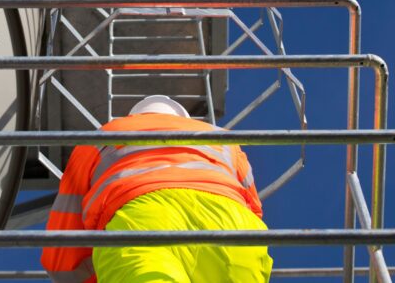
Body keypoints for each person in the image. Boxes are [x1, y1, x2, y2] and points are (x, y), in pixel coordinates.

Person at [41, 95, 272, 283]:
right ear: (183, 117)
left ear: (136, 115)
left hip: (142, 222)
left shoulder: (105, 134)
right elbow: (253, 206)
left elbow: (65, 235)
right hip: (232, 229)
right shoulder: (223, 139)